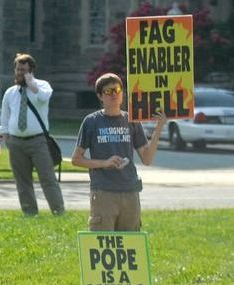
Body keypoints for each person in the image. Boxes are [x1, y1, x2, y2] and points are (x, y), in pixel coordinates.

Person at [71, 73, 167, 231]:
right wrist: (104, 163)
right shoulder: (91, 121)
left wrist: (159, 128)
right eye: (108, 92)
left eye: (117, 90)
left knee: (130, 247)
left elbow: (147, 158)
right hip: (103, 192)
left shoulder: (132, 120)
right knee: (103, 244)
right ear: (100, 96)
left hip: (130, 192)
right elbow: (76, 159)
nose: (114, 94)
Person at [0, 53, 65, 216]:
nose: (20, 73)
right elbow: (5, 117)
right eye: (18, 70)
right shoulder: (10, 92)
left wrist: (31, 83)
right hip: (16, 142)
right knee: (22, 180)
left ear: (31, 71)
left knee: (47, 178)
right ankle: (29, 211)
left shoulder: (42, 86)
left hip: (38, 141)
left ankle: (58, 210)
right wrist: (5, 135)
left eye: (24, 70)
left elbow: (43, 98)